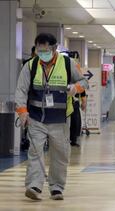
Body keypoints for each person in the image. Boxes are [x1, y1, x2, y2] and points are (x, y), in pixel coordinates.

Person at [15, 33, 88, 201]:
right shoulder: (30, 66)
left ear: (55, 49)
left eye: (46, 50)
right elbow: (21, 90)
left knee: (60, 154)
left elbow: (84, 82)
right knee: (35, 152)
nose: (42, 54)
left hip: (60, 119)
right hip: (36, 118)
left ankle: (56, 187)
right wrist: (22, 111)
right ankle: (34, 185)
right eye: (39, 51)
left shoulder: (69, 63)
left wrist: (75, 88)